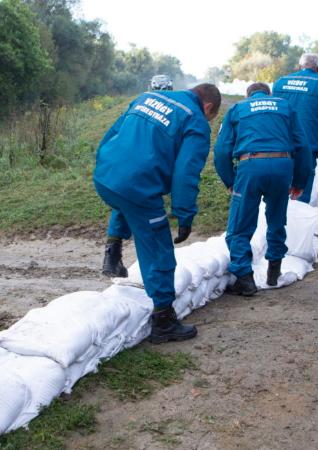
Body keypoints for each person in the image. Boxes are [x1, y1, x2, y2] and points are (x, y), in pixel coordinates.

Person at [95, 84, 221, 343]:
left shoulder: (146, 97)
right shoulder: (195, 121)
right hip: (137, 187)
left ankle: (113, 249)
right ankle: (163, 320)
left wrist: (104, 165)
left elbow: (112, 134)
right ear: (208, 107)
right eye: (212, 115)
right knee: (158, 247)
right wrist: (184, 214)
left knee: (126, 203)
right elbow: (186, 173)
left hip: (106, 175)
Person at [213, 83, 310, 295]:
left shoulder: (238, 109)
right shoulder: (285, 106)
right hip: (282, 165)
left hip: (250, 166)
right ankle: (274, 271)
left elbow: (221, 150)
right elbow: (302, 145)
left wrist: (230, 180)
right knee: (276, 218)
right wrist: (300, 181)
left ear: (249, 95)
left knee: (240, 225)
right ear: (269, 94)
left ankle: (245, 280)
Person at [272, 53, 318, 214]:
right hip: (307, 144)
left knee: (282, 183)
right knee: (302, 187)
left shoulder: (280, 83)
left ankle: (279, 221)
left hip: (281, 143)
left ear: (299, 66)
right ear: (317, 68)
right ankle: (295, 224)